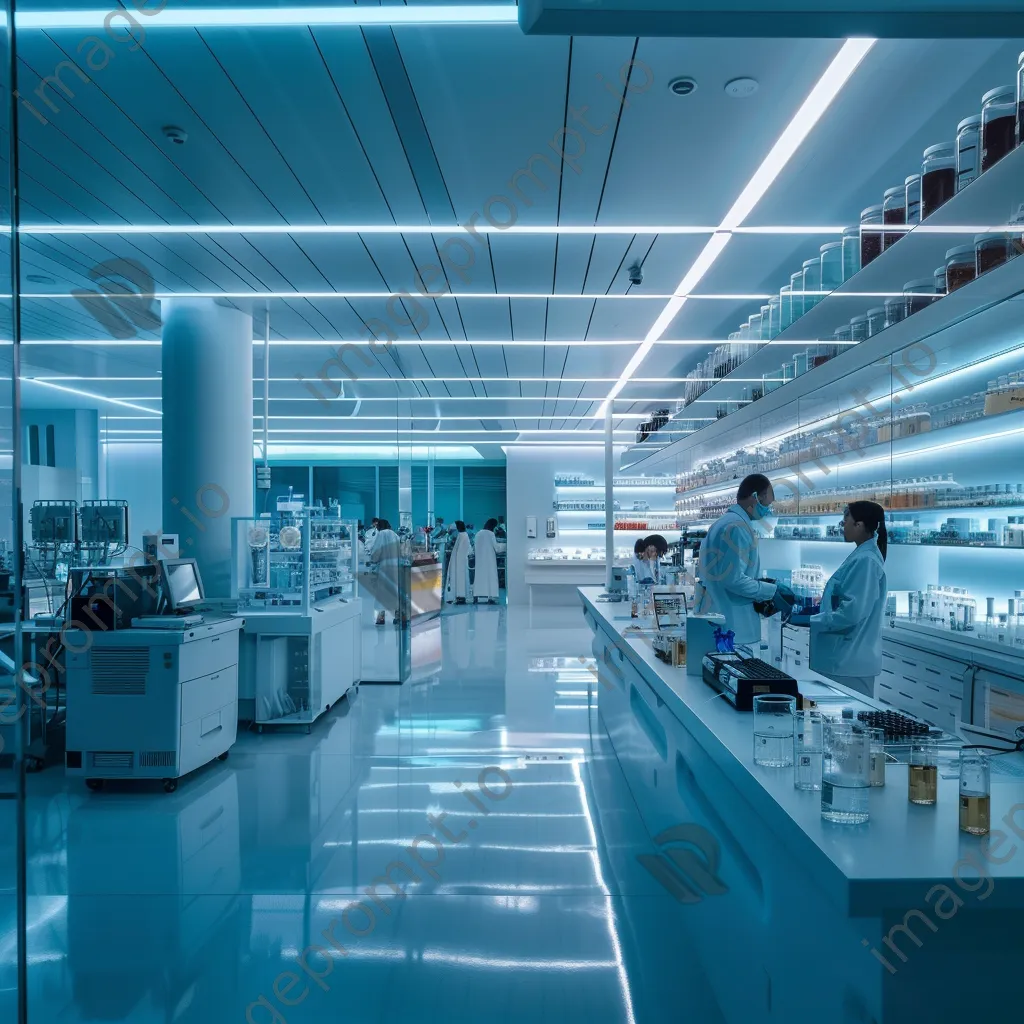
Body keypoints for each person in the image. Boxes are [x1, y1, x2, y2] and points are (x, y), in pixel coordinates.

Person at [791, 501, 888, 697]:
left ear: (859, 525)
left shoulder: (866, 560)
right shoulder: (862, 555)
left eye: (846, 519)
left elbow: (851, 613)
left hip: (848, 662)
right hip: (843, 659)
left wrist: (812, 620)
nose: (842, 524)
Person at [694, 473, 795, 645]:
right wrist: (770, 591)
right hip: (734, 622)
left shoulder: (723, 522)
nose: (768, 510)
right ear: (755, 497)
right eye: (767, 504)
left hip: (717, 613)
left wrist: (763, 583)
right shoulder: (737, 527)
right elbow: (733, 580)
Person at [368, 518, 401, 625]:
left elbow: (377, 550)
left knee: (382, 592)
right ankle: (397, 615)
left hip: (385, 567)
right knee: (395, 591)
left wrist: (372, 559)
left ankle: (381, 617)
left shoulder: (381, 534)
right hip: (396, 566)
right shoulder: (395, 535)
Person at [473, 518, 500, 604]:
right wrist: (505, 546)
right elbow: (497, 548)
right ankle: (491, 597)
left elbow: (475, 547)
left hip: (480, 560)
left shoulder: (478, 534)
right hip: (490, 560)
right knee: (490, 578)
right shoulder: (491, 534)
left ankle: (476, 596)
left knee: (479, 578)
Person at [444, 520, 472, 605]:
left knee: (460, 578)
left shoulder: (463, 536)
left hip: (460, 563)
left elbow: (463, 551)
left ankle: (460, 596)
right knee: (458, 578)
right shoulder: (462, 535)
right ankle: (458, 596)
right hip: (458, 562)